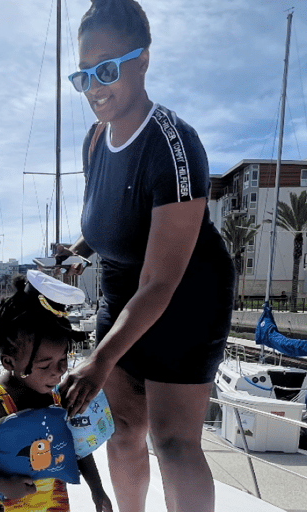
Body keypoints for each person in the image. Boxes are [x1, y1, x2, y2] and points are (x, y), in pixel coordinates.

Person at [57, 1, 235, 511]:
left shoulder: (173, 145)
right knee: (123, 429)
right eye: (83, 75)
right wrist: (79, 250)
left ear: (143, 60)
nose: (95, 87)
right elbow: (115, 218)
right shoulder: (95, 142)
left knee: (173, 441)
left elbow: (160, 279)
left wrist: (98, 359)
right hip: (120, 291)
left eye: (107, 69)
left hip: (185, 296)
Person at [0, 272, 113, 512]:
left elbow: (78, 447)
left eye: (63, 358)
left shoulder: (58, 397)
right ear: (8, 362)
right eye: (45, 365)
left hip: (51, 503)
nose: (59, 371)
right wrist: (2, 484)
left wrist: (97, 490)